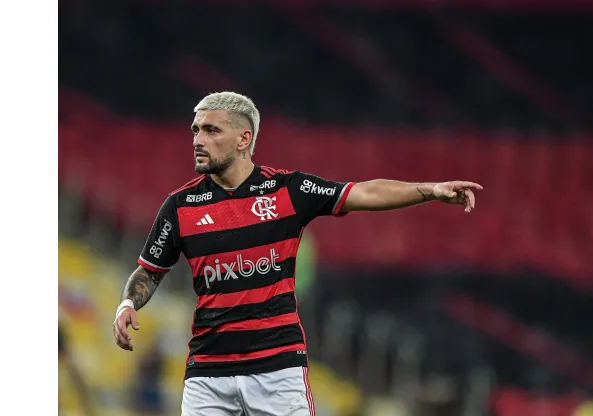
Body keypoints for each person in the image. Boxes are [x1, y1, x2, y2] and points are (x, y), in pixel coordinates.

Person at [112, 91, 483, 416]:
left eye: (211, 130)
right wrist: (127, 303)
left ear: (244, 139)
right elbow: (150, 270)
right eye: (195, 130)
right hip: (208, 371)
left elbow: (364, 193)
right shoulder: (180, 206)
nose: (197, 139)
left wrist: (430, 189)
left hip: (278, 367)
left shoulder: (287, 190)